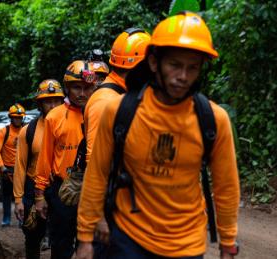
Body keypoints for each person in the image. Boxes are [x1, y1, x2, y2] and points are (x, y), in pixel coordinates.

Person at [76, 12, 240, 259]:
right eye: (175, 64)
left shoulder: (213, 120)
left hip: (187, 245)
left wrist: (228, 244)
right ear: (154, 63)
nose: (183, 76)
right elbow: (97, 173)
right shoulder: (119, 111)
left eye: (192, 67)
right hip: (129, 240)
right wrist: (85, 237)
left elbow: (226, 186)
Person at [82, 28, 151, 258]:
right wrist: (98, 215)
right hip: (109, 211)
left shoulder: (121, 96)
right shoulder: (106, 102)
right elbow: (95, 163)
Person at [34, 60, 97, 259]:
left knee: (89, 248)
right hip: (62, 191)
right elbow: (45, 158)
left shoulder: (99, 113)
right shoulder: (54, 117)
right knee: (61, 246)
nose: (82, 93)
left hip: (92, 191)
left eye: (87, 88)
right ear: (67, 87)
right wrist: (39, 196)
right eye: (77, 87)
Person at [13, 79, 64, 258]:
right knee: (33, 235)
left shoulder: (69, 126)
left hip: (59, 188)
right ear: (40, 104)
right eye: (47, 101)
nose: (52, 105)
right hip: (32, 188)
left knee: (60, 238)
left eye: (56, 101)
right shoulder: (28, 131)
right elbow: (19, 165)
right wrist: (18, 199)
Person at [0, 103, 26, 226]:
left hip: (22, 168)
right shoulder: (4, 131)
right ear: (11, 117)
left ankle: (21, 218)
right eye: (15, 117)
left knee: (22, 195)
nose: (17, 119)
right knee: (7, 195)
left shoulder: (26, 130)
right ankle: (6, 218)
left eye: (19, 117)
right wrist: (2, 166)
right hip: (7, 169)